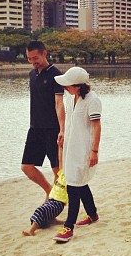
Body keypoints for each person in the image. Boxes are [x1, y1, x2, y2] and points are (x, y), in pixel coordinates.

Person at [51, 67, 102, 244]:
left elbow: (96, 126)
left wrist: (94, 151)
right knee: (79, 183)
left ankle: (68, 227)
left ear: (78, 86)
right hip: (70, 148)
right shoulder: (71, 98)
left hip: (84, 150)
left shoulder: (92, 100)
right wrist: (63, 132)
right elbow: (71, 122)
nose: (65, 88)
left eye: (68, 85)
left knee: (73, 187)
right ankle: (93, 214)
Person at [21, 41, 65, 200]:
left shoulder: (56, 75)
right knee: (26, 167)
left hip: (52, 130)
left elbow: (59, 104)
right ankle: (49, 191)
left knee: (58, 172)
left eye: (35, 58)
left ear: (44, 53)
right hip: (35, 129)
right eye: (29, 59)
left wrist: (62, 129)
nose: (33, 62)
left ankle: (51, 208)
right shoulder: (32, 74)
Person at [22, 147, 67, 236]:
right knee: (39, 211)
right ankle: (42, 224)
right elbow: (60, 160)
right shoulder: (61, 173)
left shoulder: (71, 180)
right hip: (51, 199)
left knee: (42, 211)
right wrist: (60, 147)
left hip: (58, 203)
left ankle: (31, 231)